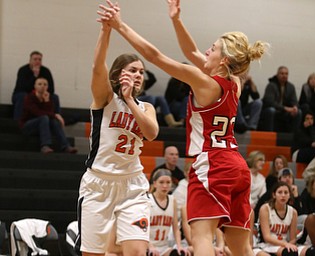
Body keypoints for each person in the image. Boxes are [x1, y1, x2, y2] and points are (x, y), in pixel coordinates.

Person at [98, 1, 269, 255]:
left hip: (213, 164)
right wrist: (176, 20)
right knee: (241, 247)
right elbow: (190, 52)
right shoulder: (235, 81)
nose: (206, 51)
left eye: (212, 49)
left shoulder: (204, 82)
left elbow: (155, 57)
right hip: (237, 166)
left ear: (223, 60)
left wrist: (120, 26)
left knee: (202, 238)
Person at [76, 13, 159, 256]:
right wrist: (106, 30)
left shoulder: (146, 107)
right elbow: (96, 67)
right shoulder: (105, 98)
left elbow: (151, 133)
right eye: (132, 70)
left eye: (142, 72)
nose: (138, 75)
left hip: (132, 184)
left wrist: (131, 100)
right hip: (98, 184)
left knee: (136, 251)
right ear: (118, 73)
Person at [19, 77, 77, 154]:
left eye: (45, 84)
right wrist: (56, 115)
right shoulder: (29, 97)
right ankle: (45, 145)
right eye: (39, 84)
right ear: (35, 86)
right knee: (44, 118)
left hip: (43, 126)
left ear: (47, 87)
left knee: (53, 121)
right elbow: (37, 112)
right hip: (28, 126)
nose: (42, 86)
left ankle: (65, 146)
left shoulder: (49, 98)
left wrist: (46, 101)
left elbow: (49, 113)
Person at [257, 182, 314, 256]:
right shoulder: (265, 208)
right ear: (274, 195)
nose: (283, 195)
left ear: (289, 195)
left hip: (285, 244)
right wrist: (285, 245)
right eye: (280, 192)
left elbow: (293, 239)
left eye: (286, 192)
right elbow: (267, 237)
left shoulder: (293, 212)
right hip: (268, 245)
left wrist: (289, 245)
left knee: (311, 252)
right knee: (290, 253)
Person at [148, 168, 190, 256]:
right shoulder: (147, 200)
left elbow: (176, 228)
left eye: (168, 182)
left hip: (164, 247)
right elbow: (142, 230)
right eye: (161, 182)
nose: (165, 186)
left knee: (181, 254)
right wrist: (150, 246)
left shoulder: (172, 200)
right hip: (148, 246)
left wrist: (179, 246)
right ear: (154, 183)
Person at [12, 51, 61, 120]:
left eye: (39, 59)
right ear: (30, 60)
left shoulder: (45, 71)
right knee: (22, 96)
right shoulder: (23, 70)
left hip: (40, 95)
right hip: (24, 93)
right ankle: (18, 122)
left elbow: (51, 89)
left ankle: (56, 119)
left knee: (55, 97)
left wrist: (42, 93)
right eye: (35, 59)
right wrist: (35, 76)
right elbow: (22, 87)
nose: (37, 61)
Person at [260, 66, 302, 133]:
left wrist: (295, 107)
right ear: (277, 74)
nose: (284, 75)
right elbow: (269, 102)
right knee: (271, 110)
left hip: (284, 112)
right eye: (282, 73)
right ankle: (269, 135)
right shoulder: (271, 85)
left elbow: (295, 101)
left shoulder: (291, 87)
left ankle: (293, 137)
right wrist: (285, 108)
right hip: (272, 110)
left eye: (286, 74)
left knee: (298, 112)